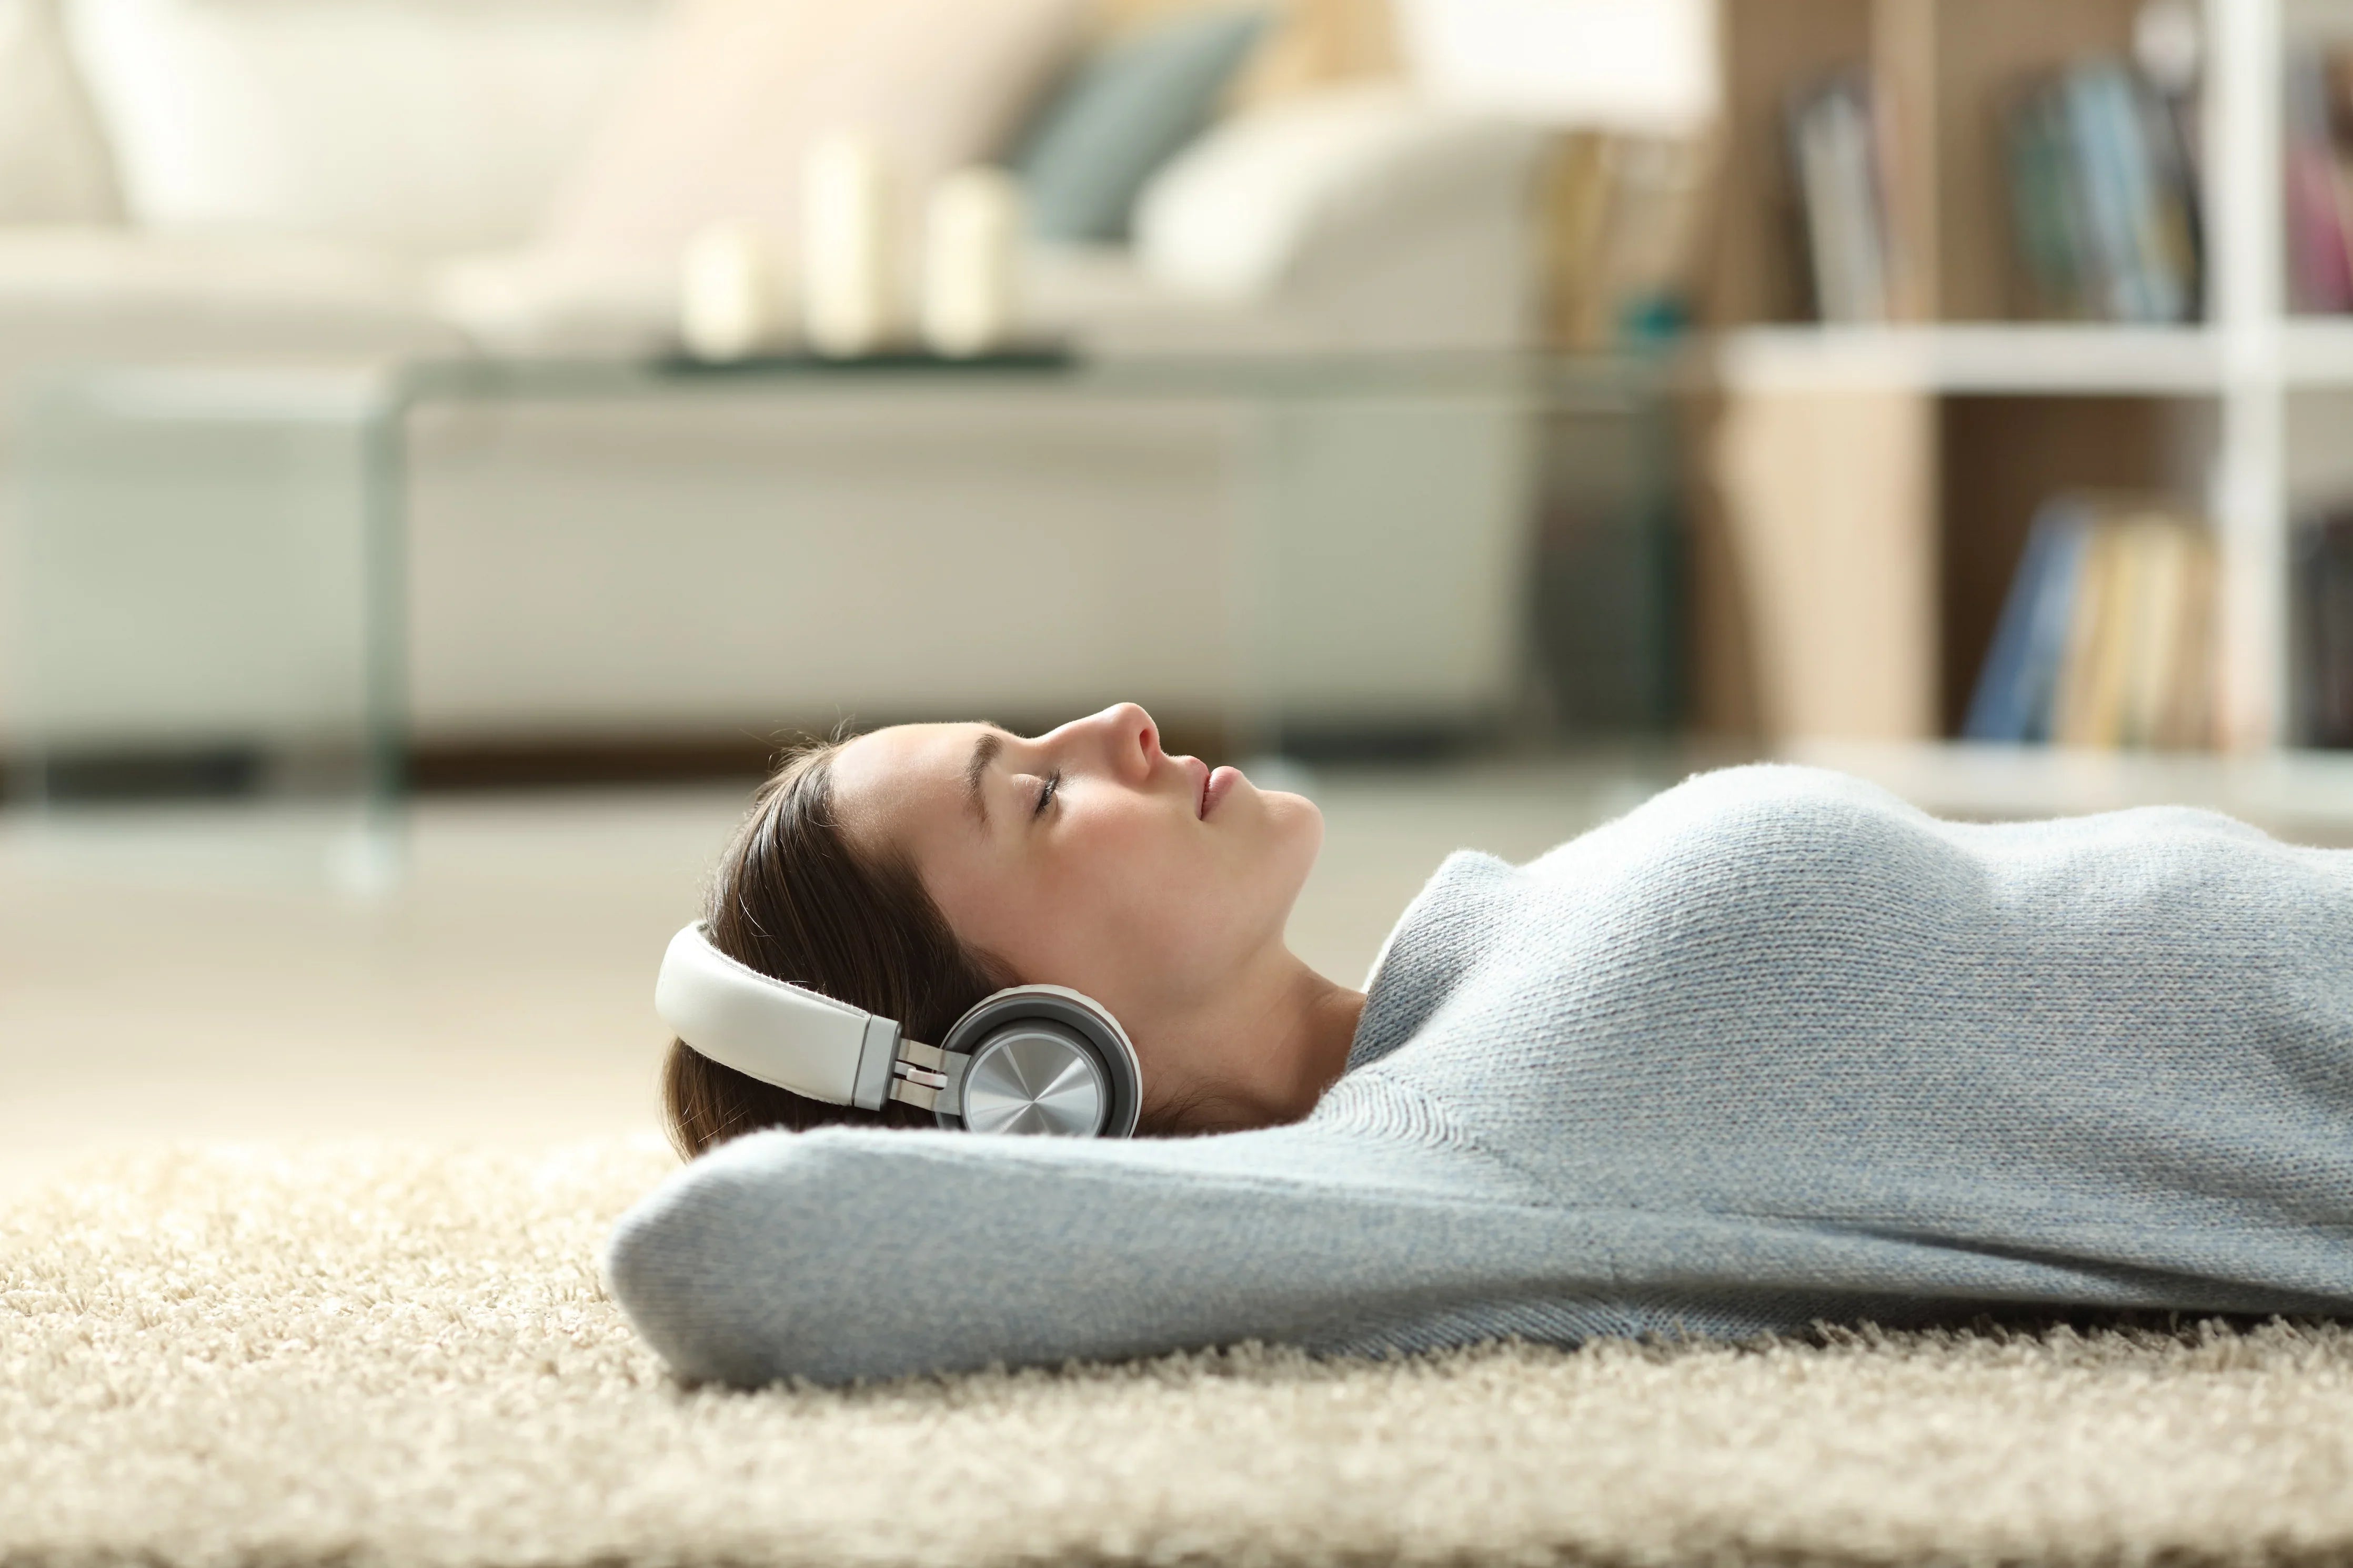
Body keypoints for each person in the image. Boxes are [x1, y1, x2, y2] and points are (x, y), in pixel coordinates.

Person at [608, 703, 2353, 1388]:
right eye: (1040, 797)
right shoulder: (1432, 1171)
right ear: (1023, 1070)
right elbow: (738, 1254)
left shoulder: (1469, 988)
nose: (1120, 725)